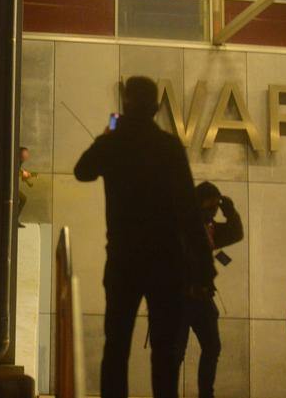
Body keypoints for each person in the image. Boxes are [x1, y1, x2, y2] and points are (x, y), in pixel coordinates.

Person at [74, 76, 215, 398]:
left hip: (124, 259)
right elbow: (189, 212)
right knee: (165, 351)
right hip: (167, 261)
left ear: (125, 103)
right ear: (156, 108)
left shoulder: (113, 142)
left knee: (117, 346)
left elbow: (82, 171)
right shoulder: (168, 146)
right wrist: (204, 268)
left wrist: (107, 135)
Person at [175, 181, 244, 398]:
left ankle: (207, 394)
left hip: (202, 299)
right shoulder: (180, 227)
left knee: (212, 347)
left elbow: (235, 233)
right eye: (211, 206)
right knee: (176, 353)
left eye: (216, 207)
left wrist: (229, 210)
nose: (214, 211)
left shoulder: (210, 229)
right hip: (179, 301)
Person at [18, 146, 36, 228]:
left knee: (22, 199)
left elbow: (20, 173)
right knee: (22, 199)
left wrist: (28, 182)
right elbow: (16, 170)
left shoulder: (19, 161)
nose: (27, 157)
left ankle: (14, 219)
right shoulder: (17, 160)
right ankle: (13, 220)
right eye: (25, 154)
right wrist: (23, 174)